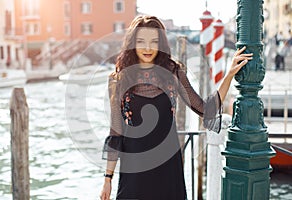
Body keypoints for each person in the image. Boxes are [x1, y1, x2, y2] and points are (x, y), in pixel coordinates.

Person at [100, 15, 252, 200]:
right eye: (141, 41)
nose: (148, 48)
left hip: (168, 166)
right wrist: (108, 178)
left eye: (153, 41)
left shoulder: (173, 72)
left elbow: (204, 108)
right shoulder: (118, 79)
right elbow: (116, 132)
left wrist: (228, 75)